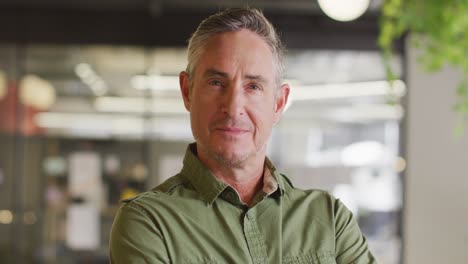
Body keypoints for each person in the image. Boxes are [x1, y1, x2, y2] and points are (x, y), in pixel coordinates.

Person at [110, 7, 376, 264]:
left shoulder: (330, 220)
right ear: (187, 91)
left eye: (253, 86)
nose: (234, 107)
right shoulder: (149, 223)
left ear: (279, 103)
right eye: (216, 83)